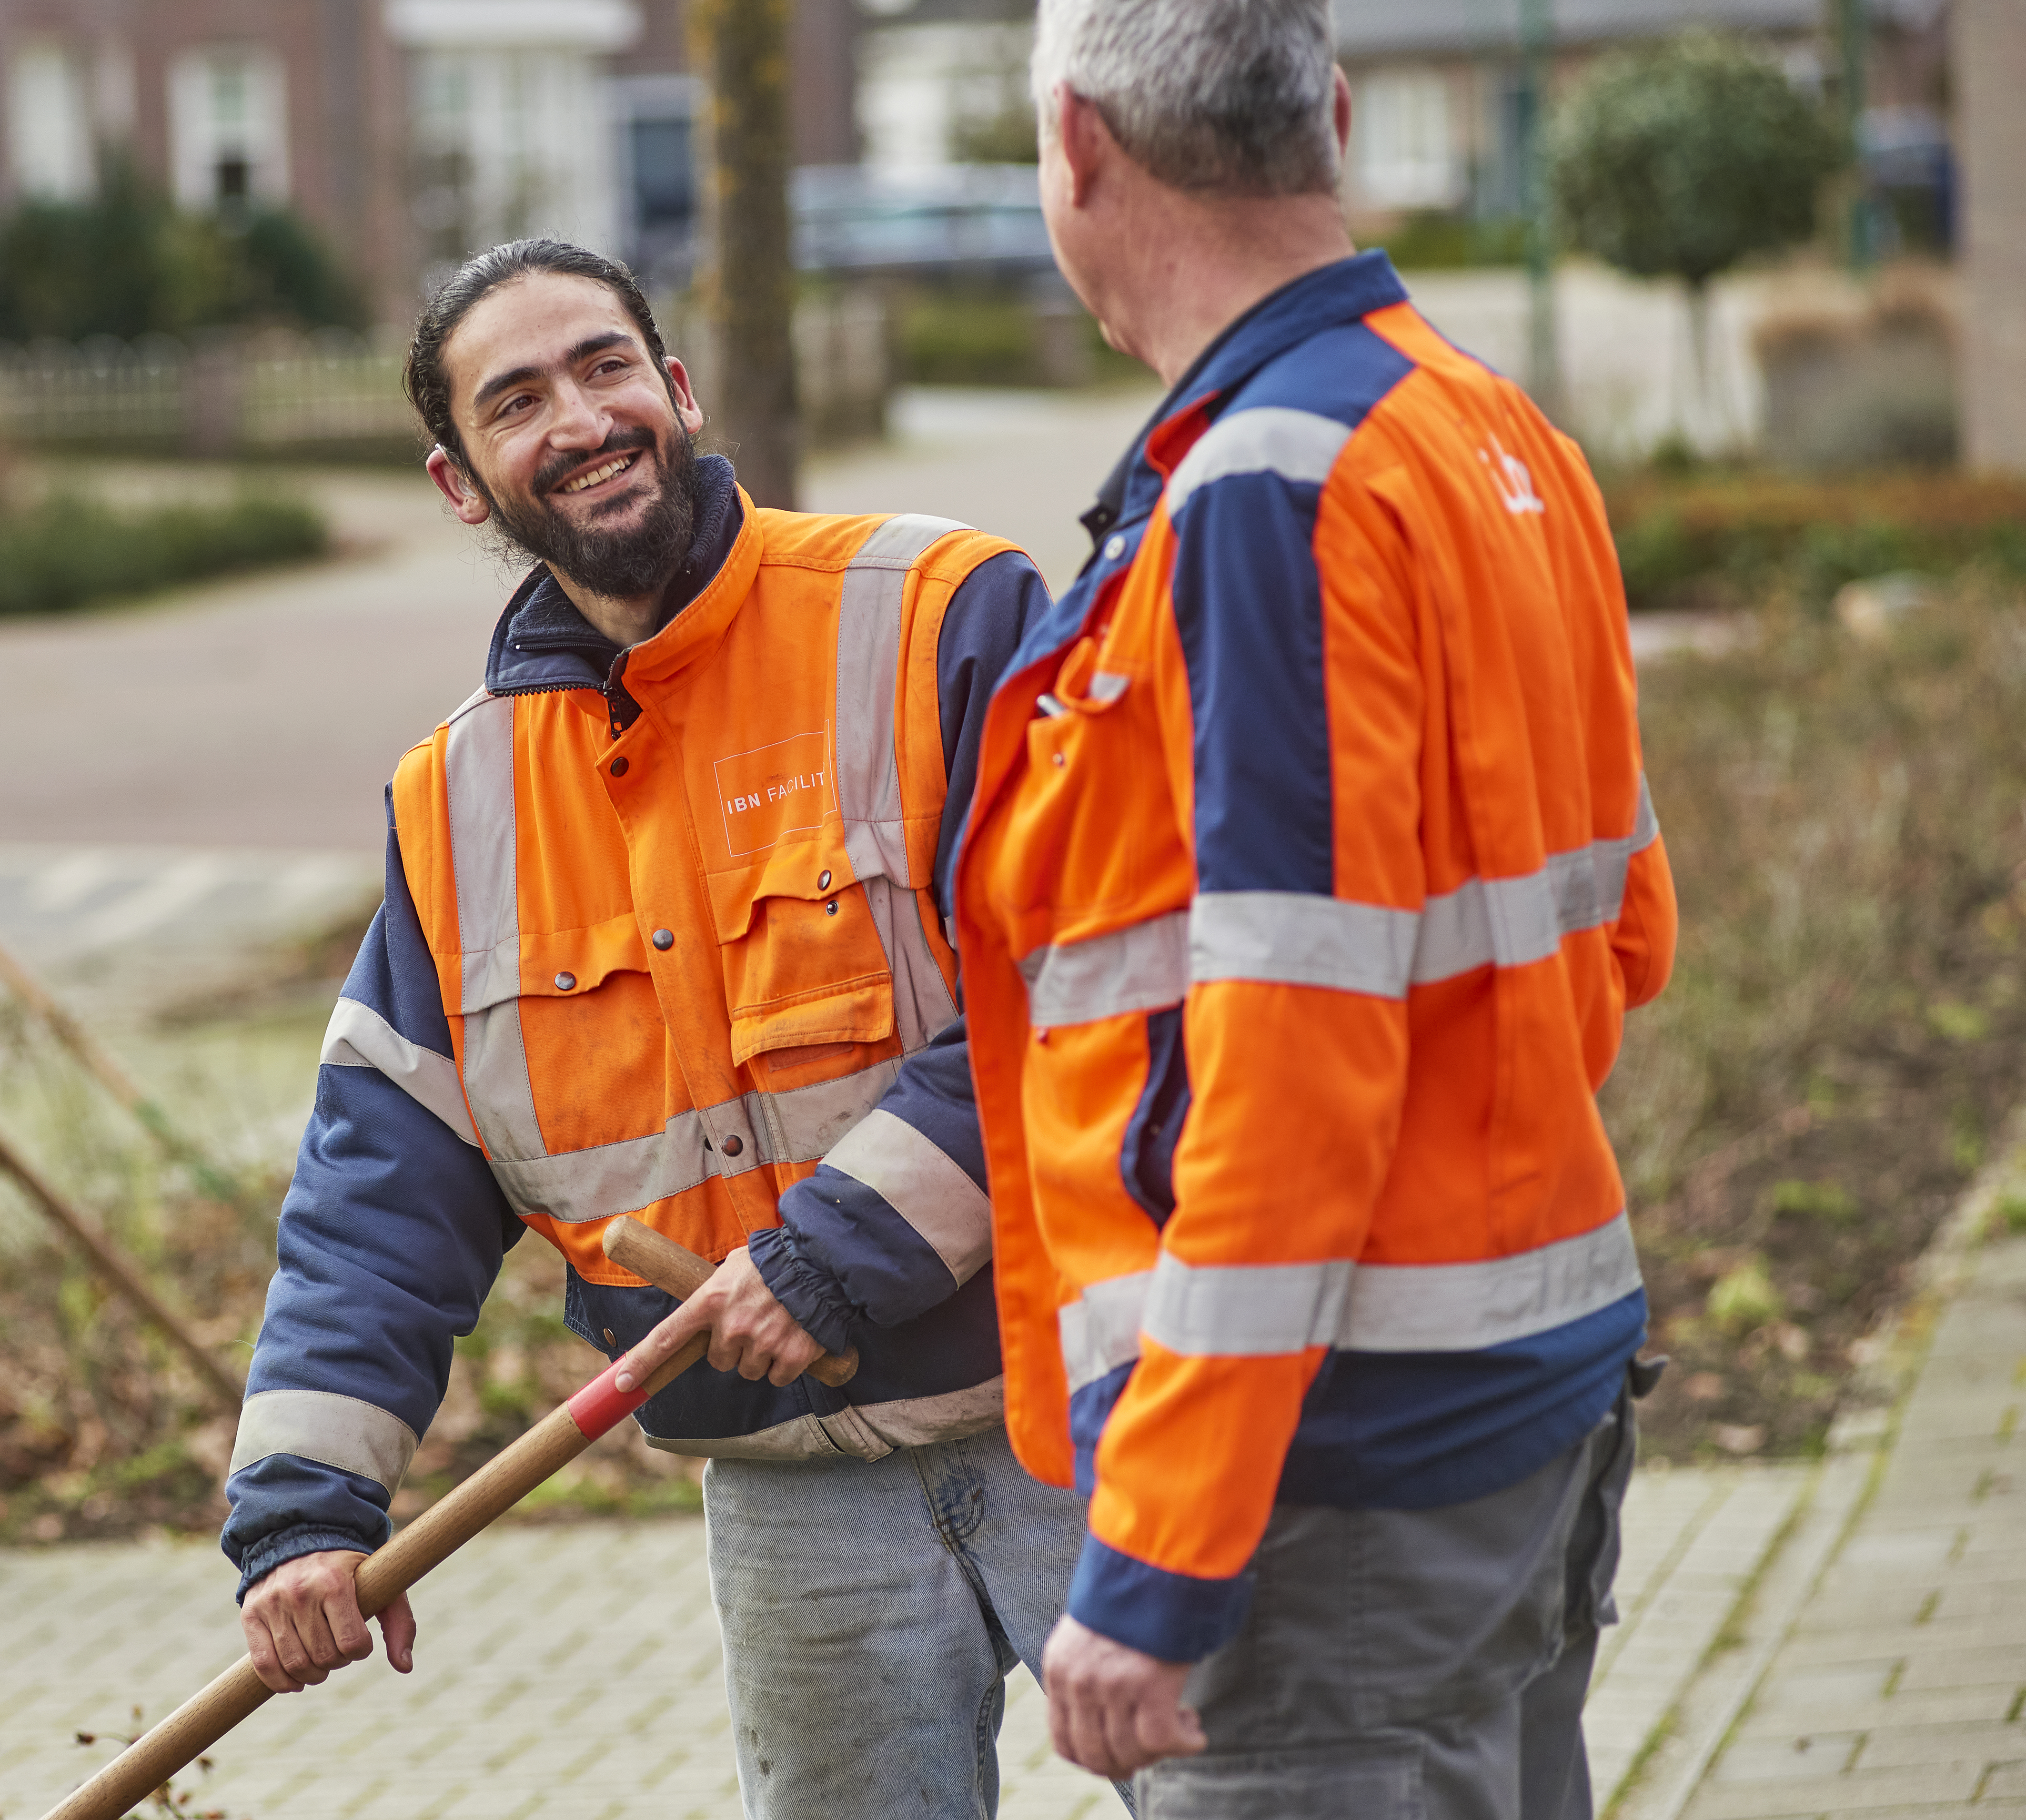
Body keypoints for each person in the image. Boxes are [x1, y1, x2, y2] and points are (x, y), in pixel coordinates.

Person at [220, 239, 1092, 1817]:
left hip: (1078, 1412)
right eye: (517, 401)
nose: (582, 420)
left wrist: (844, 1250)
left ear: (677, 389)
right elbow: (380, 1192)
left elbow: (1080, 987)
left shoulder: (937, 614)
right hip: (791, 1494)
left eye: (606, 366)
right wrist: (305, 1509)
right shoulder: (461, 806)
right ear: (460, 484)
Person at [948, 2, 1681, 1812]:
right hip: (1524, 1403)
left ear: (1080, 145)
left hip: (1331, 1479)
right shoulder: (1495, 432)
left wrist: (1163, 1549)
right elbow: (1629, 930)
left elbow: (1288, 1061)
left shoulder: (1265, 492)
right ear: (1334, 113)